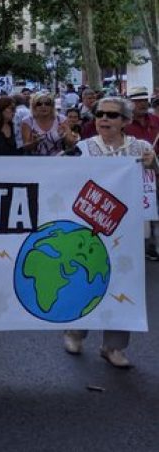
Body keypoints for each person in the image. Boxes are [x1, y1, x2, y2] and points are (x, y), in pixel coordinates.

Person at [63, 96, 156, 368]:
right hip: (90, 228)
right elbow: (60, 177)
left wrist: (153, 164)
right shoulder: (83, 148)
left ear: (125, 121)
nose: (104, 118)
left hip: (129, 229)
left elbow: (153, 181)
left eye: (112, 115)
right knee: (85, 280)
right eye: (100, 113)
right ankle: (76, 331)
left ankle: (114, 346)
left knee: (124, 284)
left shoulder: (142, 148)